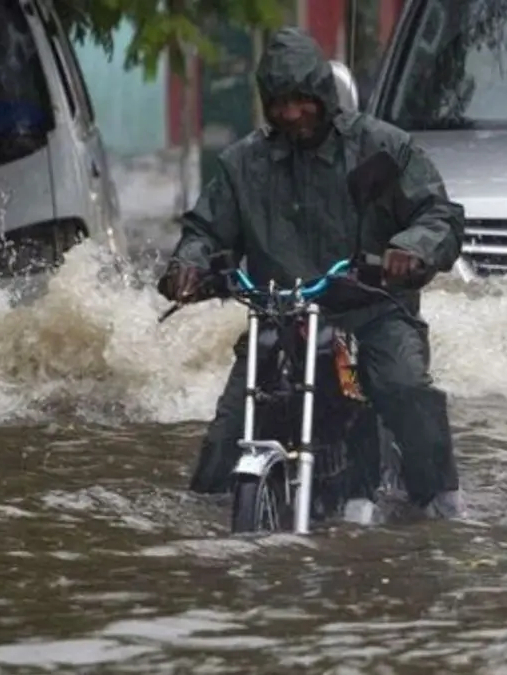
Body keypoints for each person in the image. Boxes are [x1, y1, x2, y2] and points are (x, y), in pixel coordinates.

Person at [156, 26, 468, 520]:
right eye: (279, 103)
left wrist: (411, 249)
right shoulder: (243, 166)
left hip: (371, 311)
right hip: (280, 317)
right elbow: (205, 230)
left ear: (323, 93)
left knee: (404, 386)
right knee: (227, 430)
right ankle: (215, 527)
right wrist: (189, 265)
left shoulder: (380, 148)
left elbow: (439, 215)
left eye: (302, 100)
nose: (292, 113)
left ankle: (440, 502)